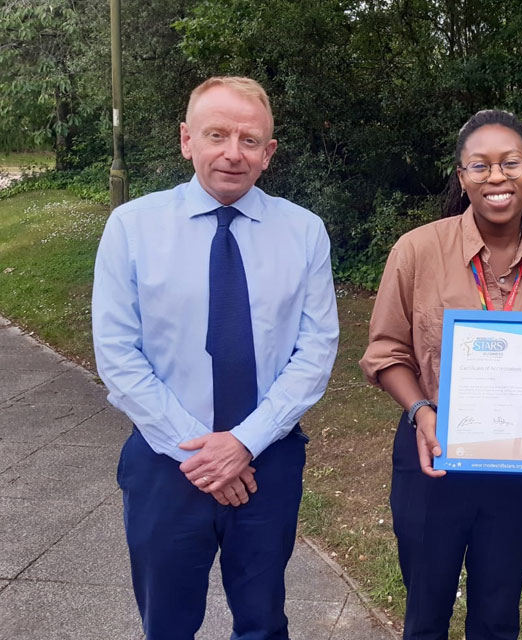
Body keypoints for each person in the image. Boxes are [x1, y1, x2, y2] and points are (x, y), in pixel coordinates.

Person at [92, 76, 339, 639]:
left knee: (262, 622)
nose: (233, 152)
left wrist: (244, 443)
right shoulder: (131, 228)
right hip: (164, 462)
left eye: (250, 140)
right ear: (186, 140)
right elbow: (117, 355)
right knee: (167, 624)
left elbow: (316, 350)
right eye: (217, 134)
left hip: (267, 464)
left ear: (269, 153)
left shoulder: (304, 232)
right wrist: (203, 455)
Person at [360, 109, 522, 639]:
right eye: (481, 165)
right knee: (425, 614)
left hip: (519, 466)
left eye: (510, 163)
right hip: (432, 455)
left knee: (496, 614)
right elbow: (386, 351)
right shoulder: (418, 251)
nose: (497, 176)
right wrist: (421, 411)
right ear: (462, 175)